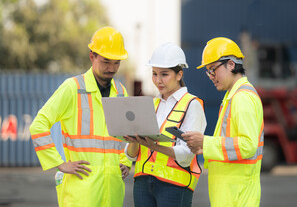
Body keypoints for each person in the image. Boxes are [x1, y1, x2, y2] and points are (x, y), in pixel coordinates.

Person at [29, 26, 132, 207]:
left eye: (117, 62)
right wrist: (60, 163)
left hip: (112, 189)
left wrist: (125, 162)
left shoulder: (121, 92)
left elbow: (125, 136)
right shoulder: (73, 88)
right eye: (106, 61)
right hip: (82, 192)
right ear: (92, 57)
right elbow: (38, 125)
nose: (112, 68)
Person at [183, 37, 264, 207]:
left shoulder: (241, 98)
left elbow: (248, 145)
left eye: (213, 69)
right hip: (233, 194)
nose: (211, 76)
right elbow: (231, 143)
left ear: (231, 64)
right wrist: (203, 147)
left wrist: (205, 141)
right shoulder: (232, 96)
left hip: (237, 197)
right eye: (208, 71)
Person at [124, 42, 207, 207]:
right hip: (142, 183)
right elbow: (130, 155)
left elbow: (186, 155)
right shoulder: (151, 105)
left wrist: (153, 146)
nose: (158, 80)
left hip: (174, 186)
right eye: (154, 74)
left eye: (164, 74)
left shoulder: (192, 105)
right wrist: (133, 140)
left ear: (179, 74)